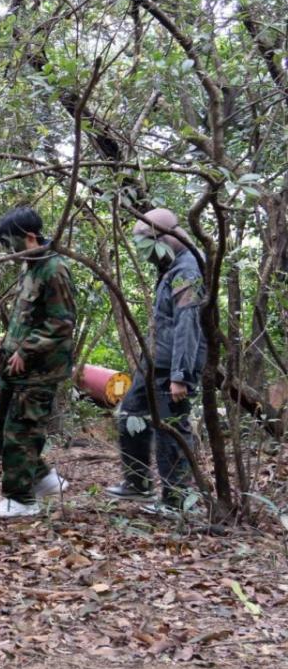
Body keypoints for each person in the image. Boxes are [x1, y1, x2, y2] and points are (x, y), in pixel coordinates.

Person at [105, 208, 205, 514]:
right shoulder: (170, 266)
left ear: (166, 238)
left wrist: (180, 375)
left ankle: (176, 501)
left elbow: (188, 323)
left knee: (170, 430)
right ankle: (137, 483)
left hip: (173, 366)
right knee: (130, 413)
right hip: (155, 360)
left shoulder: (188, 269)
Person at [0, 207, 75, 518]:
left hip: (41, 369)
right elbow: (27, 316)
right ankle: (42, 478)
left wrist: (26, 350)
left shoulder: (54, 269)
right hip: (16, 366)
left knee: (21, 430)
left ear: (29, 236)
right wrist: (8, 344)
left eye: (9, 241)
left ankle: (21, 499)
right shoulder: (30, 266)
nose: (7, 249)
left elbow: (62, 322)